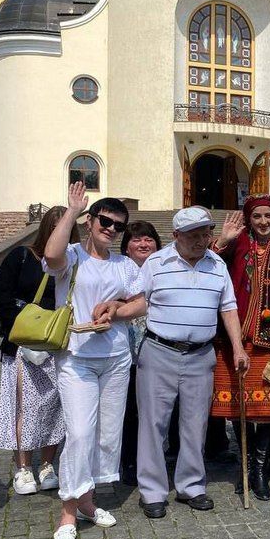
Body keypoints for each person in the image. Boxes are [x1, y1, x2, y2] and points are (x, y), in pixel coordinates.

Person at [97, 207, 248, 519]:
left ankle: (191, 485)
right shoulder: (156, 262)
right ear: (176, 236)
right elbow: (140, 301)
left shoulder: (217, 264)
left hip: (201, 354)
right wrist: (116, 311)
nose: (201, 239)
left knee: (195, 423)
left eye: (206, 233)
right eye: (193, 234)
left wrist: (237, 348)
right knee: (153, 423)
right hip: (159, 351)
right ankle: (152, 491)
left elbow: (228, 307)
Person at [43, 183, 141, 539]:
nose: (111, 229)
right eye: (105, 221)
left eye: (118, 225)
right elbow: (50, 257)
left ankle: (87, 500)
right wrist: (71, 210)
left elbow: (141, 303)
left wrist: (116, 311)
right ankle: (68, 509)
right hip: (76, 357)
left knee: (105, 434)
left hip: (115, 358)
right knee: (80, 432)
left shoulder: (124, 264)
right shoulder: (72, 255)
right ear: (91, 221)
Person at [211, 195, 270, 501]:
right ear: (249, 220)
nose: (263, 222)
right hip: (232, 341)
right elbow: (209, 265)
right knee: (238, 408)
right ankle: (245, 465)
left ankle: (261, 469)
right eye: (257, 217)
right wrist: (223, 240)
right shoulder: (234, 248)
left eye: (268, 216)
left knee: (267, 409)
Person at [0, 205, 76, 496]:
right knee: (22, 406)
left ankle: (48, 465)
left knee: (55, 407)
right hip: (24, 343)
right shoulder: (24, 256)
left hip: (60, 344)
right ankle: (23, 468)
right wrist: (29, 319)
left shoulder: (74, 261)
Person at [118, 221, 162, 487]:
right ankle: (129, 461)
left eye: (149, 239)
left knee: (158, 408)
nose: (144, 244)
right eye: (137, 240)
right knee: (131, 410)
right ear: (126, 247)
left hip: (158, 349)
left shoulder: (163, 268)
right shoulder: (119, 270)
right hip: (128, 351)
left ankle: (160, 455)